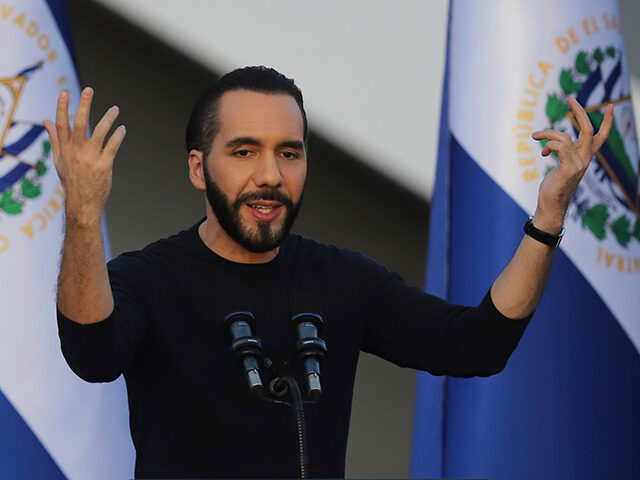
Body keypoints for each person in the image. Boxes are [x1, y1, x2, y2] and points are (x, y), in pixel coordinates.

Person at [44, 66, 613, 479]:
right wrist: (84, 214)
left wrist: (546, 218)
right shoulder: (151, 277)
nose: (270, 174)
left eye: (289, 153)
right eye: (244, 152)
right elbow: (93, 354)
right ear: (199, 168)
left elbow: (477, 345)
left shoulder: (343, 279)